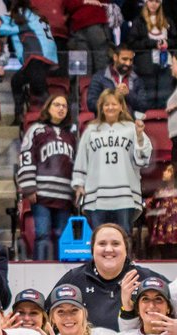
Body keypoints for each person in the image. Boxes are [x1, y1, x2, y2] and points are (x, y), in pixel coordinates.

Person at [55, 223, 167, 330]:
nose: (109, 249)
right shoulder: (74, 278)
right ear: (92, 250)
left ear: (126, 250)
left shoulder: (146, 278)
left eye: (115, 244)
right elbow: (47, 315)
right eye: (102, 244)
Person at [72, 89, 153, 231]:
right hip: (96, 194)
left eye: (114, 104)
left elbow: (143, 160)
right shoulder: (91, 130)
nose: (110, 107)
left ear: (121, 106)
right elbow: (81, 159)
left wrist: (139, 136)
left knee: (123, 236)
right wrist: (79, 184)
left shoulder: (132, 128)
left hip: (125, 195)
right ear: (101, 108)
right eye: (106, 104)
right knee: (99, 236)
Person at [17, 95, 76, 260]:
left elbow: (76, 165)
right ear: (48, 108)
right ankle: (41, 272)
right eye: (56, 105)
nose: (61, 108)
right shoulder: (36, 130)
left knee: (61, 239)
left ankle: (60, 276)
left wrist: (76, 190)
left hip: (64, 196)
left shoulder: (70, 134)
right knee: (42, 236)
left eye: (64, 106)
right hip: (42, 194)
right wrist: (29, 187)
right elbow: (26, 157)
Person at [0, 0, 58, 120]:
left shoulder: (22, 14)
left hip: (37, 55)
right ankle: (19, 116)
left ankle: (53, 118)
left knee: (41, 91)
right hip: (49, 56)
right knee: (16, 81)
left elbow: (6, 29)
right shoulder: (36, 14)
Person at [123, 0, 177, 106]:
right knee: (148, 98)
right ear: (146, 2)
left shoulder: (168, 20)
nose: (153, 4)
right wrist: (153, 44)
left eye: (157, 1)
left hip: (167, 64)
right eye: (151, 1)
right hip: (146, 66)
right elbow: (131, 43)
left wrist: (168, 43)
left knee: (165, 97)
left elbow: (175, 41)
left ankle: (163, 122)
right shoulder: (139, 21)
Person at [143, 163, 177, 258]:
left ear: (175, 175)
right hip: (163, 229)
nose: (164, 173)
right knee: (164, 254)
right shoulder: (160, 191)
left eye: (168, 171)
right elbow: (150, 204)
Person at [87, 45, 150, 114]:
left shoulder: (136, 79)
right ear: (115, 57)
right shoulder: (100, 77)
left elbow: (144, 105)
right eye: (124, 59)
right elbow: (91, 104)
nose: (128, 63)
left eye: (131, 60)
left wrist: (128, 94)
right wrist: (112, 98)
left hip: (130, 122)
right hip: (106, 122)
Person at [65, 0, 112, 76]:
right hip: (85, 25)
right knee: (99, 60)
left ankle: (83, 86)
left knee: (80, 66)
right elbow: (68, 4)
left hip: (80, 25)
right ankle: (100, 86)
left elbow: (68, 5)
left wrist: (82, 2)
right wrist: (87, 1)